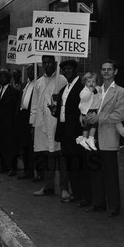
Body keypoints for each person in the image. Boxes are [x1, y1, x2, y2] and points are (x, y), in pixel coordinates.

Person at [84, 60, 124, 216]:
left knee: (110, 173)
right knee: (95, 170)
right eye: (103, 69)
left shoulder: (121, 92)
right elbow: (85, 108)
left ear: (115, 72)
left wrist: (98, 118)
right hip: (91, 135)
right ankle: (98, 203)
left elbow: (120, 114)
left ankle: (113, 206)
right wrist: (85, 118)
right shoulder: (94, 89)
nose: (106, 72)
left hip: (108, 136)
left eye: (109, 69)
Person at [53, 59, 93, 205]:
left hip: (77, 132)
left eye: (69, 69)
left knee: (80, 164)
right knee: (70, 164)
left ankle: (85, 195)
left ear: (75, 70)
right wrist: (55, 111)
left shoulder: (82, 87)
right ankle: (76, 192)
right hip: (65, 132)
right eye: (64, 70)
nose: (67, 71)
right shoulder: (64, 89)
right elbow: (63, 111)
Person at [31, 55, 67, 196]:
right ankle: (48, 187)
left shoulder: (62, 80)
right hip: (43, 124)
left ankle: (64, 188)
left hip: (58, 123)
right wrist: (33, 124)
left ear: (55, 63)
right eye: (44, 63)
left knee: (61, 157)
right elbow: (34, 105)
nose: (47, 65)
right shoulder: (38, 82)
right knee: (47, 157)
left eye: (49, 62)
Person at [13, 63, 36, 179]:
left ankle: (33, 171)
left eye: (32, 70)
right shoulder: (24, 85)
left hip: (31, 117)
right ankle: (27, 170)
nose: (30, 72)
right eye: (28, 70)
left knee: (32, 147)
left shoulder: (38, 84)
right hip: (22, 117)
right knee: (24, 145)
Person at [77, 72, 102, 151]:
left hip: (95, 109)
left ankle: (89, 138)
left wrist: (97, 90)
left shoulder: (97, 88)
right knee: (87, 125)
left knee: (93, 125)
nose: (91, 83)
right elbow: (84, 98)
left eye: (93, 81)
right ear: (85, 82)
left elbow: (100, 96)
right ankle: (85, 139)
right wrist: (90, 91)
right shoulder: (84, 91)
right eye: (89, 81)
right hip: (87, 110)